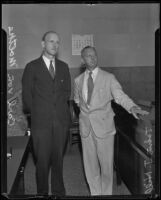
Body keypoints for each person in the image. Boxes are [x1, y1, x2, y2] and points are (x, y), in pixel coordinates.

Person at [74, 46, 149, 196]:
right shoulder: (78, 80)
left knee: (106, 168)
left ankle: (106, 194)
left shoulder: (108, 78)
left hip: (104, 128)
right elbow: (77, 100)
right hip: (86, 129)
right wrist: (85, 115)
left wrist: (132, 107)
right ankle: (95, 194)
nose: (92, 58)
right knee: (90, 167)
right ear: (82, 60)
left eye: (94, 55)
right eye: (88, 56)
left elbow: (120, 96)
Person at [22, 31, 71, 197]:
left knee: (58, 161)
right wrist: (39, 113)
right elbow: (27, 97)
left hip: (61, 123)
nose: (55, 45)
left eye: (57, 42)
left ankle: (59, 192)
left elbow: (66, 93)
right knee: (42, 163)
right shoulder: (32, 67)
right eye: (51, 41)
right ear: (43, 44)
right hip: (40, 124)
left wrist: (60, 115)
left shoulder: (64, 67)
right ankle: (42, 193)